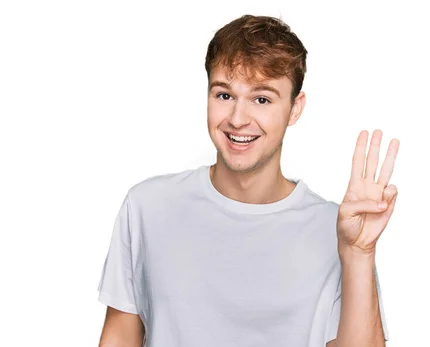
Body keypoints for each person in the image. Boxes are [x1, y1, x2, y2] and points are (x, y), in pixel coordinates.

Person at [97, 14, 399, 347]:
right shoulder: (149, 207)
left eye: (262, 99)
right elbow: (120, 337)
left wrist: (358, 253)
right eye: (224, 95)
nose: (238, 120)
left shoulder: (337, 229)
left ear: (294, 109)